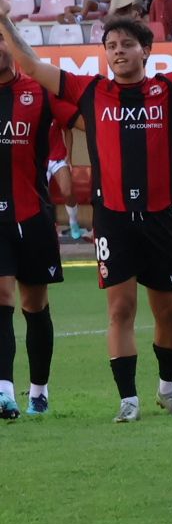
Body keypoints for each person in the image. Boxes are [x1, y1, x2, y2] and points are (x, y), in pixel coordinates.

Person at [3, 0, 172, 419]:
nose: (118, 52)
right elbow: (31, 63)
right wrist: (3, 20)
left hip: (161, 218)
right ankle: (128, 401)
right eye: (110, 46)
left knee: (168, 309)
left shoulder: (168, 90)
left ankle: (168, 389)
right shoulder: (91, 91)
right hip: (113, 220)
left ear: (146, 49)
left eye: (126, 45)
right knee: (120, 308)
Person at [0, 47, 70, 416]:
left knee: (34, 305)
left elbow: (83, 119)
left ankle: (39, 391)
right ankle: (4, 392)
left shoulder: (39, 91)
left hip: (32, 216)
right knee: (1, 296)